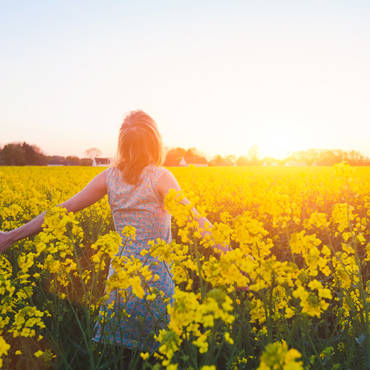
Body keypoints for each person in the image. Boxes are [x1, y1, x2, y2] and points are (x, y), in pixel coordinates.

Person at [0, 110, 226, 363]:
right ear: (155, 142)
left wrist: (11, 236)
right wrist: (231, 258)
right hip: (155, 282)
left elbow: (59, 211)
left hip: (120, 281)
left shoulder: (109, 178)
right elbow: (196, 220)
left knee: (119, 357)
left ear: (122, 144)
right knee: (158, 356)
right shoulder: (161, 177)